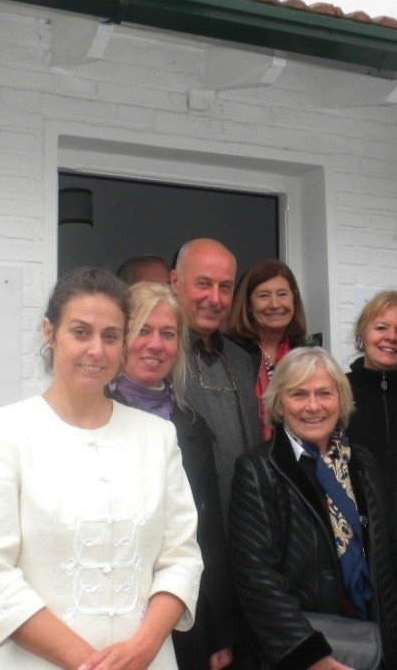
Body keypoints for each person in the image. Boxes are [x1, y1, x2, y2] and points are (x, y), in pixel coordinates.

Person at [0, 267, 203, 670]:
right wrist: (93, 664)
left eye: (110, 336)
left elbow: (181, 558)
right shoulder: (2, 433)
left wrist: (142, 648)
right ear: (49, 333)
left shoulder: (158, 436)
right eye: (80, 332)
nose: (96, 349)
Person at [229, 347, 397, 670]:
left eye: (324, 393)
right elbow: (256, 578)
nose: (313, 406)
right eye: (298, 394)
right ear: (279, 404)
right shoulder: (258, 470)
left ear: (340, 400)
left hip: (370, 647)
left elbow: (386, 562)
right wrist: (311, 655)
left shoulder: (363, 463)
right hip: (298, 655)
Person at [106, 281, 238, 670]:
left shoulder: (192, 425)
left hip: (184, 617)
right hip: (109, 613)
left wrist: (220, 631)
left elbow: (209, 534)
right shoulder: (91, 417)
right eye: (143, 330)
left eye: (168, 334)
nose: (156, 344)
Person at [170, 238, 260, 521]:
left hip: (244, 522)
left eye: (225, 287)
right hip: (186, 524)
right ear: (175, 281)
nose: (215, 298)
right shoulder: (159, 356)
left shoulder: (242, 360)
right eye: (203, 284)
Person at [345, 290, 397, 592]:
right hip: (356, 537)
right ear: (363, 333)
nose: (391, 338)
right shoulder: (340, 391)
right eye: (381, 328)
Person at [227, 259, 309, 441]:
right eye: (264, 296)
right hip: (245, 457)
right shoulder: (228, 353)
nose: (274, 304)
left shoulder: (306, 357)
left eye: (282, 294)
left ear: (294, 300)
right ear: (248, 304)